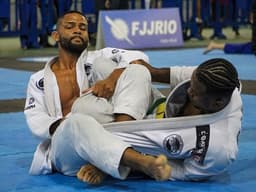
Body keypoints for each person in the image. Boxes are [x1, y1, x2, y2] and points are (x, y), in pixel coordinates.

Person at [24, 10, 171, 185]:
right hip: (69, 147)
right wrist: (66, 124)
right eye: (70, 27)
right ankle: (140, 161)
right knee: (78, 121)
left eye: (83, 27)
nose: (77, 30)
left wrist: (112, 77)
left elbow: (139, 59)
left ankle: (106, 161)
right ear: (56, 35)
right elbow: (36, 118)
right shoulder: (38, 79)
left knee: (136, 70)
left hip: (107, 129)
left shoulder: (98, 57)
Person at [72, 57, 242, 184]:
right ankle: (112, 143)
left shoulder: (219, 150)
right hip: (155, 105)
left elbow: (184, 172)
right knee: (104, 65)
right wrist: (152, 72)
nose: (190, 91)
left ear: (218, 103)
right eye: (191, 85)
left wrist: (136, 163)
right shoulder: (222, 81)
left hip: (146, 143)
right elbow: (185, 73)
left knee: (83, 113)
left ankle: (113, 153)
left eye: (195, 92)